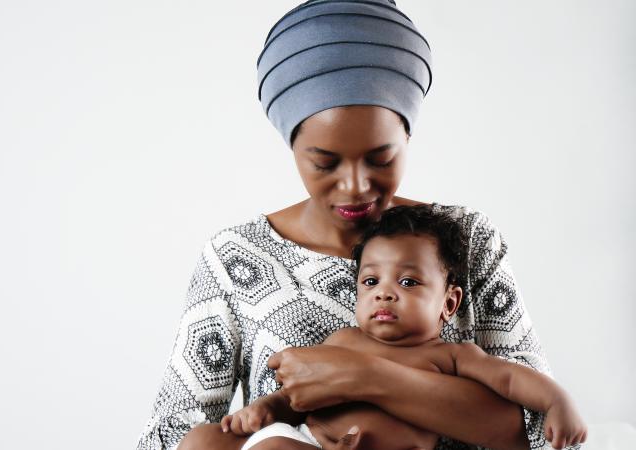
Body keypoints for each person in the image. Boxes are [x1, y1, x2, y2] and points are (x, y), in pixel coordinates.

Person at [136, 1, 569, 449]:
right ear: (292, 147)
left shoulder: (466, 238)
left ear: (408, 138)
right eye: (325, 163)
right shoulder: (235, 257)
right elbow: (166, 435)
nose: (356, 186)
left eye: (381, 159)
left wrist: (366, 375)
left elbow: (540, 431)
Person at [211, 205, 587, 450]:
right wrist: (266, 409)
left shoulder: (451, 356)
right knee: (267, 446)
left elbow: (509, 378)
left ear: (449, 303)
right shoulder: (342, 342)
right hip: (313, 444)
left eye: (408, 283)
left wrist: (557, 401)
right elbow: (299, 396)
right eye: (371, 282)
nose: (384, 295)